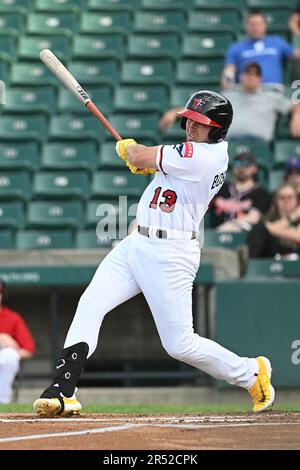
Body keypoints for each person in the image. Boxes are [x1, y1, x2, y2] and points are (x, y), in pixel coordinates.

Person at [33, 91, 275, 418]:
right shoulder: (195, 153)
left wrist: (132, 152)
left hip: (170, 253)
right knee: (91, 303)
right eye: (189, 120)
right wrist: (140, 158)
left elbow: (143, 156)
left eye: (200, 123)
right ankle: (63, 389)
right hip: (137, 242)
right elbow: (156, 167)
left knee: (179, 344)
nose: (191, 126)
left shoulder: (205, 156)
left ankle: (250, 373)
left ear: (217, 130)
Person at [158, 63, 300, 142]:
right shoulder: (228, 94)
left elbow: (295, 106)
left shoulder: (271, 95)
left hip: (259, 144)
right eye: (248, 73)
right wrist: (174, 112)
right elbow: (202, 109)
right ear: (241, 76)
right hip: (226, 144)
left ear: (260, 78)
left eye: (255, 74)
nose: (251, 77)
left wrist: (296, 117)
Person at [222, 9, 300, 89]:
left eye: (259, 24)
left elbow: (296, 54)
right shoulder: (236, 47)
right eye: (252, 25)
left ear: (265, 25)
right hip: (247, 92)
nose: (255, 28)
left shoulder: (277, 42)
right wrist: (228, 79)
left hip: (273, 90)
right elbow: (229, 70)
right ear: (246, 26)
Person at [212, 152, 271, 232]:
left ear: (254, 168)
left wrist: (228, 226)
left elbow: (253, 218)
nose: (241, 168)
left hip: (244, 236)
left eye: (246, 164)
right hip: (214, 235)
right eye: (237, 163)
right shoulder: (220, 188)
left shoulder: (261, 193)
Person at [0, 279, 35, 403]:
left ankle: (2, 402)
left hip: (3, 362)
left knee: (8, 355)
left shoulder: (13, 317)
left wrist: (12, 346)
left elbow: (29, 351)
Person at [247, 183, 300, 258]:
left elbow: (298, 237)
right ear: (276, 201)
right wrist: (291, 217)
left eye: (290, 197)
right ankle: (249, 265)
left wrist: (271, 228)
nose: (286, 201)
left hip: (296, 255)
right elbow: (262, 228)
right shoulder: (270, 217)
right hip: (272, 254)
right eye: (282, 198)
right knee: (258, 230)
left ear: (297, 200)